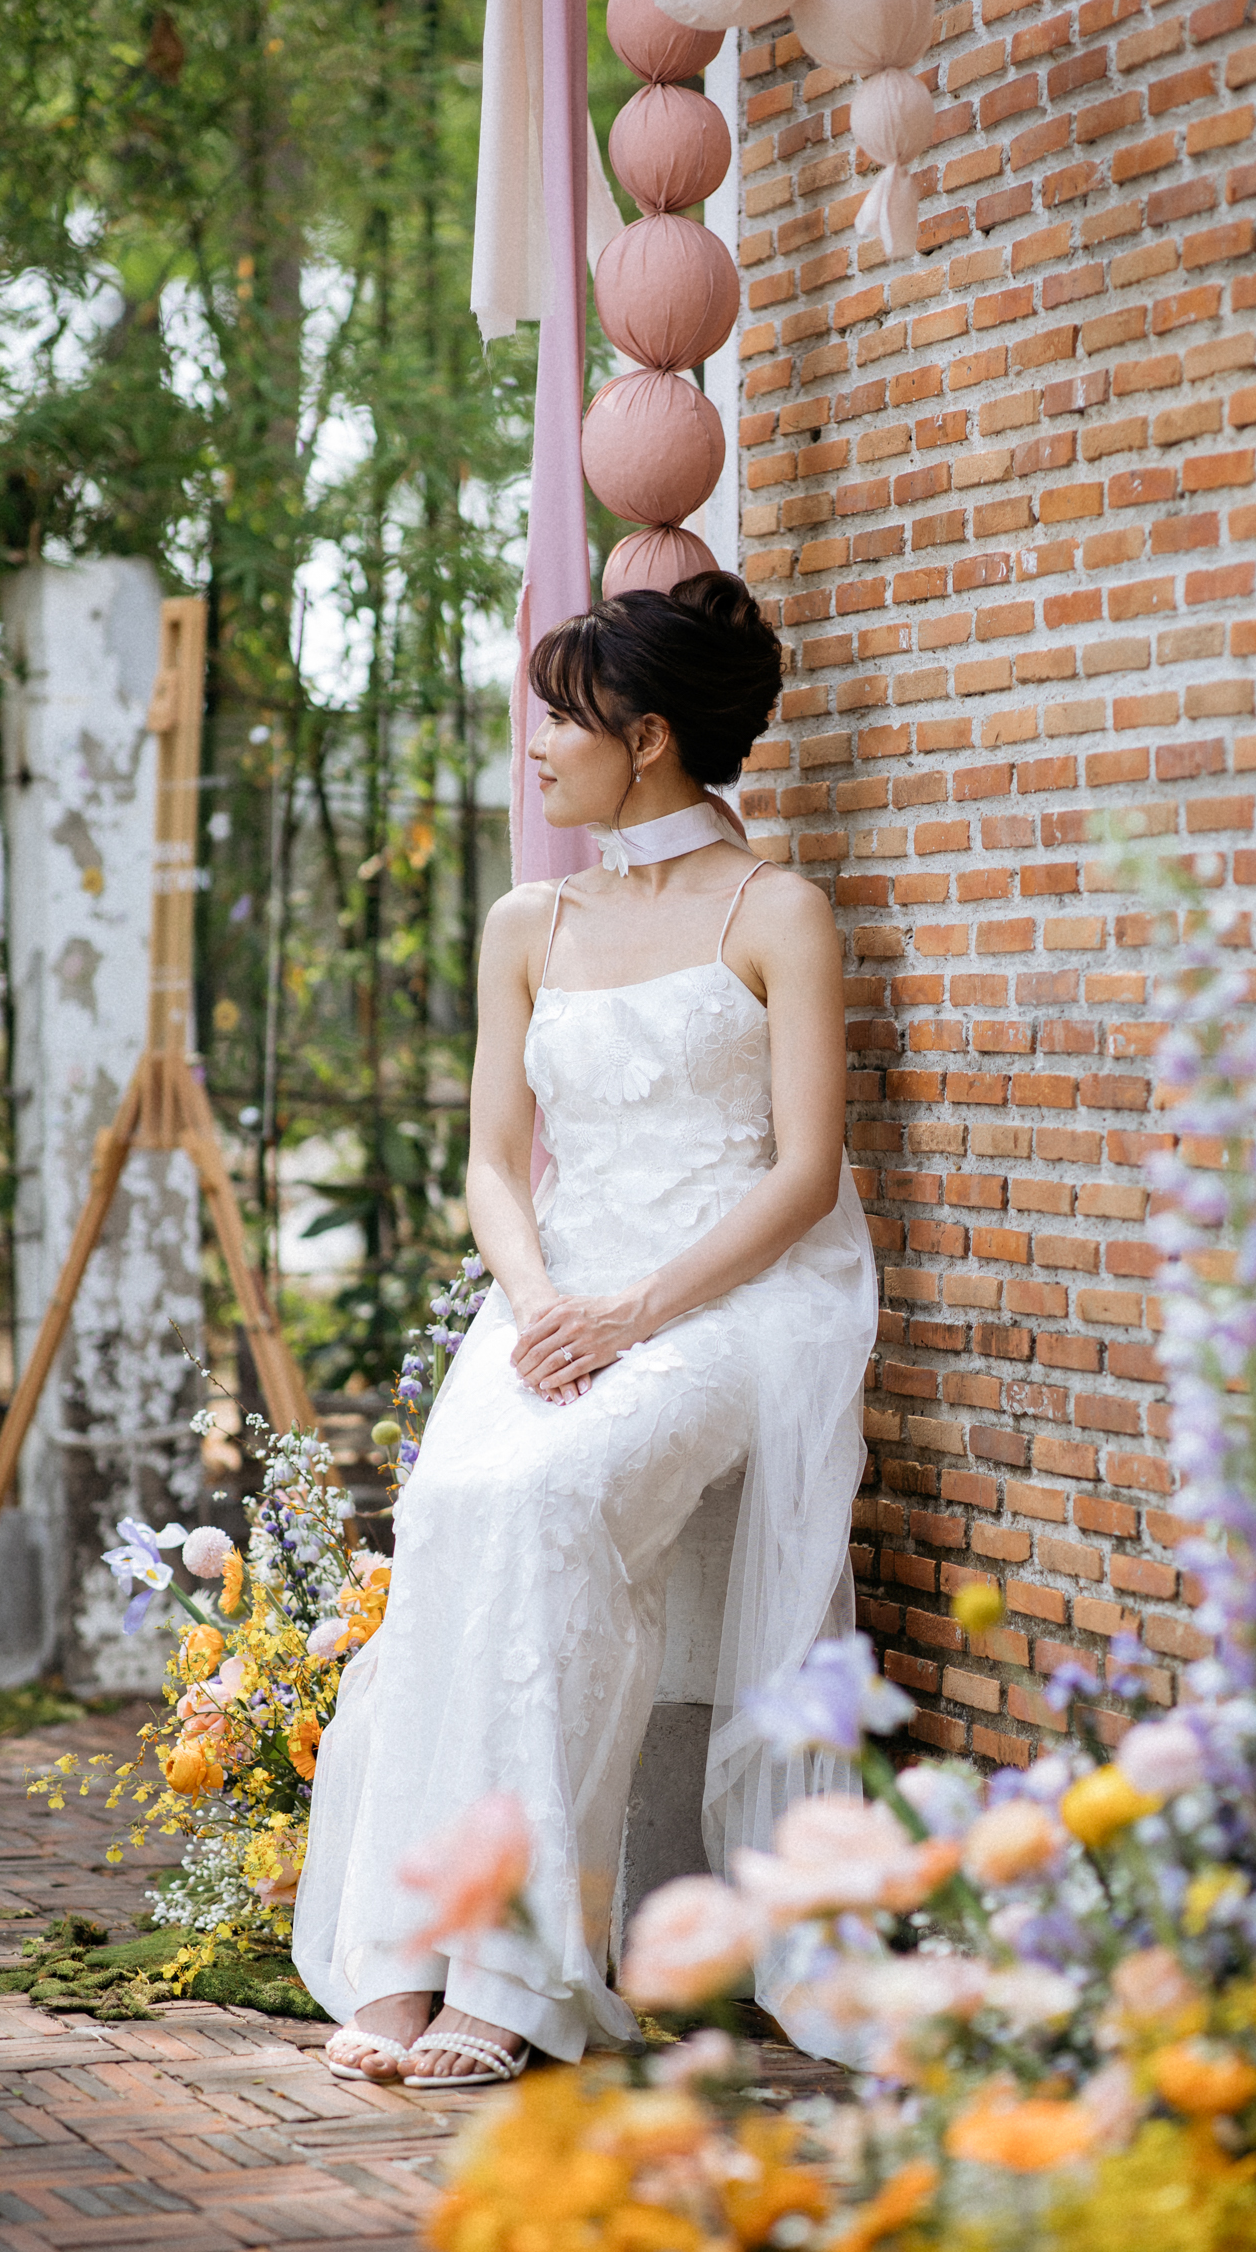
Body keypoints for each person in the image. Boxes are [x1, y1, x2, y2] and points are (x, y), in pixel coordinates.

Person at [293, 571, 878, 2084]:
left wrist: (634, 1311)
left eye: (562, 719)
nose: (537, 745)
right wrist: (543, 1299)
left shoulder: (777, 912)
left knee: (553, 1499)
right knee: (455, 1502)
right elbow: (496, 1164)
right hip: (550, 1301)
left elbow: (807, 1176)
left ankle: (521, 1972)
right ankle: (403, 1949)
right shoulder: (529, 921)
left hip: (725, 1305)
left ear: (651, 737)